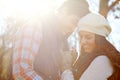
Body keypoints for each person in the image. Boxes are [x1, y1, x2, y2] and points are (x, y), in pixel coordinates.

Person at [12, 0, 89, 80]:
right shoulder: (35, 27)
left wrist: (67, 67)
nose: (73, 28)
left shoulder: (61, 43)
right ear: (64, 11)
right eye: (74, 21)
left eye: (77, 26)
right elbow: (21, 71)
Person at [73, 13, 120, 80]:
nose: (83, 42)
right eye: (81, 37)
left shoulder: (102, 60)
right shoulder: (92, 59)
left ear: (100, 40)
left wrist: (66, 69)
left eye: (88, 37)